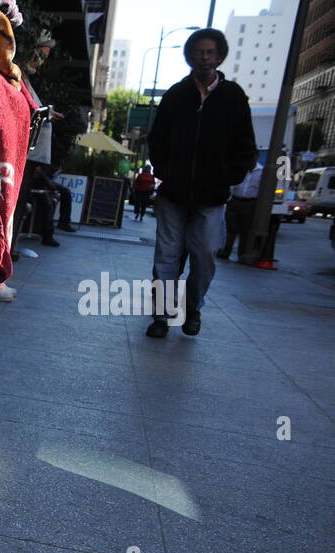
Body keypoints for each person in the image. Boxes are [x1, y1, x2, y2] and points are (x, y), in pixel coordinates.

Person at [144, 28, 257, 338]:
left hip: (212, 196)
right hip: (174, 194)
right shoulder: (176, 95)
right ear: (190, 56)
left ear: (219, 55)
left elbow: (246, 145)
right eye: (199, 51)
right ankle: (162, 317)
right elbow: (158, 140)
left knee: (205, 254)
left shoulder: (233, 96)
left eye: (210, 52)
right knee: (166, 257)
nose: (204, 57)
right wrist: (165, 169)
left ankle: (193, 308)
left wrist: (230, 177)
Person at [218, 161, 263, 260]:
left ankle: (242, 254)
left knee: (245, 229)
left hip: (250, 202)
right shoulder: (240, 168)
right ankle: (226, 251)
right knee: (230, 227)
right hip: (235, 200)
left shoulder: (261, 171)